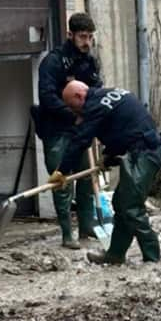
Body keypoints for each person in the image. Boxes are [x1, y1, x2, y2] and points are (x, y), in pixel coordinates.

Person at [53, 82, 161, 265]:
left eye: (73, 107)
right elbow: (123, 130)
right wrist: (108, 156)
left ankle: (153, 259)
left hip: (145, 153)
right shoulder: (106, 97)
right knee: (121, 203)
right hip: (142, 150)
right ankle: (115, 254)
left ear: (79, 97)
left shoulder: (94, 107)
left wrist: (62, 171)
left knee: (130, 206)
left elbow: (81, 140)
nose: (74, 113)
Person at [35, 13, 104, 249]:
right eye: (83, 37)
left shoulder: (89, 62)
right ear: (70, 35)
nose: (87, 42)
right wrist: (71, 116)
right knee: (61, 182)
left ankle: (87, 226)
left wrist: (92, 117)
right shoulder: (52, 62)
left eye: (90, 37)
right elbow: (46, 97)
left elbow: (97, 90)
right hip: (56, 131)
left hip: (81, 130)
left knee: (86, 177)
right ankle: (67, 233)